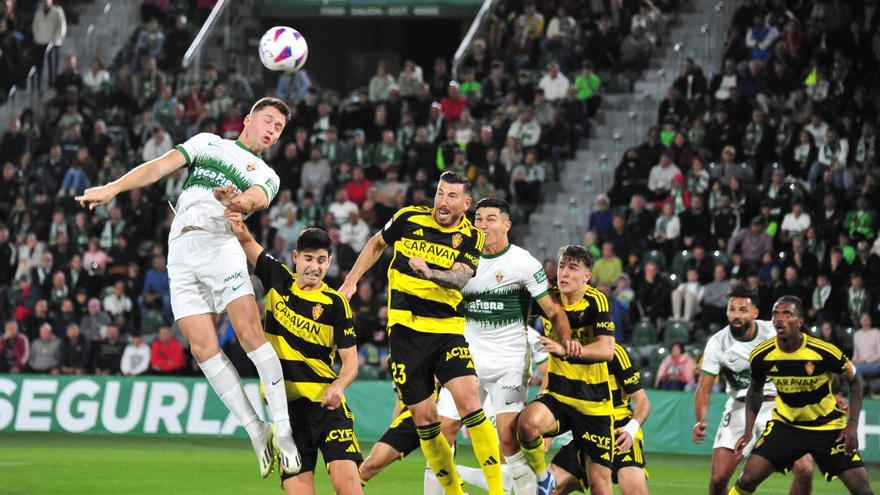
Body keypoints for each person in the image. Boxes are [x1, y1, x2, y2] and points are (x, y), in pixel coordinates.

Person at [75, 97, 301, 477]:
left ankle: (285, 433)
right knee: (203, 349)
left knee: (249, 334)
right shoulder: (207, 142)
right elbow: (161, 166)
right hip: (181, 250)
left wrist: (237, 200)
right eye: (268, 121)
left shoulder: (265, 172)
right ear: (248, 119)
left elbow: (256, 199)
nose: (271, 130)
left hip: (221, 245)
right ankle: (255, 429)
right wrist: (112, 188)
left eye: (278, 128)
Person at [339, 171, 506, 495]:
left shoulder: (472, 237)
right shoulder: (407, 218)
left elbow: (460, 279)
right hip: (405, 332)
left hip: (447, 330)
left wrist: (429, 272)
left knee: (470, 403)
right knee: (425, 420)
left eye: (452, 196)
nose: (443, 202)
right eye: (440, 194)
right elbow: (376, 244)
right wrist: (352, 280)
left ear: (466, 203)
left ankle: (498, 492)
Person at [434, 198, 571, 494]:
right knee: (443, 429)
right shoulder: (461, 259)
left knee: (508, 439)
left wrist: (567, 342)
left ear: (506, 224)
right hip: (466, 357)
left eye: (491, 219)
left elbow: (553, 309)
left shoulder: (523, 262)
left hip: (509, 360)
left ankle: (535, 486)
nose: (483, 225)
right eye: (479, 219)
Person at [228, 218, 362, 494]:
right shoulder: (278, 278)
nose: (315, 267)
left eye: (322, 260)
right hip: (287, 415)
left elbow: (351, 364)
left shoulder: (336, 305)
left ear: (329, 262)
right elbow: (246, 241)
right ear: (296, 257)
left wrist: (338, 387)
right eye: (309, 259)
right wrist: (236, 219)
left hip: (328, 410)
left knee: (348, 488)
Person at [729, 296, 875, 495]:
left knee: (861, 489)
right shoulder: (761, 355)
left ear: (799, 322)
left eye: (787, 314)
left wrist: (852, 424)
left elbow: (855, 380)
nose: (779, 319)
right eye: (775, 314)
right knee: (747, 479)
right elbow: (755, 390)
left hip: (828, 428)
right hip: (786, 426)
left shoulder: (823, 351)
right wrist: (748, 432)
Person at [693, 282, 812, 495]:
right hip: (740, 407)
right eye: (732, 309)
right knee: (718, 479)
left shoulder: (774, 331)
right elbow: (704, 388)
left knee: (804, 470)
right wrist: (700, 419)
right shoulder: (717, 342)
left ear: (755, 312)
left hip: (778, 405)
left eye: (743, 310)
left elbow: (807, 357)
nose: (736, 315)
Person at [515, 245, 615, 495]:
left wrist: (567, 350)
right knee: (526, 425)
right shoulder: (548, 298)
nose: (565, 273)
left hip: (593, 404)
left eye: (573, 268)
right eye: (562, 266)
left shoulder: (596, 301)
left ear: (587, 277)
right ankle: (541, 476)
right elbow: (516, 318)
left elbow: (606, 350)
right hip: (559, 395)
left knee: (600, 486)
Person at [549, 344, 651, 495]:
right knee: (546, 489)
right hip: (587, 430)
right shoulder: (565, 352)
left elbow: (643, 401)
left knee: (635, 490)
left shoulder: (614, 352)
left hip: (619, 431)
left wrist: (631, 429)